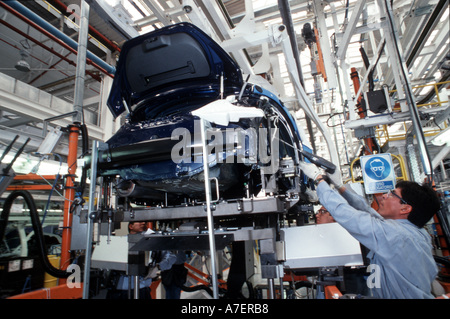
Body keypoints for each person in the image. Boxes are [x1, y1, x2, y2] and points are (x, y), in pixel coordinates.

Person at [299, 161, 441, 299]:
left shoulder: (396, 235)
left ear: (405, 208)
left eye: (392, 194)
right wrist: (340, 186)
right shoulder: (412, 233)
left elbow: (347, 214)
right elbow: (366, 210)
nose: (385, 195)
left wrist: (318, 179)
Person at [107, 221, 153, 299]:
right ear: (131, 226)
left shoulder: (150, 241)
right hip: (122, 289)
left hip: (142, 289)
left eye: (144, 222)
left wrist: (158, 266)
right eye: (139, 222)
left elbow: (168, 257)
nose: (143, 223)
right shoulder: (120, 242)